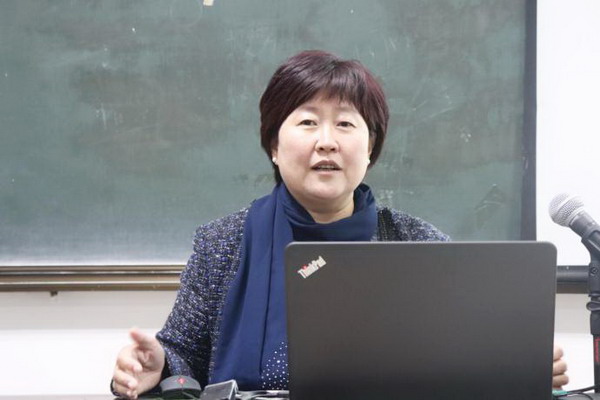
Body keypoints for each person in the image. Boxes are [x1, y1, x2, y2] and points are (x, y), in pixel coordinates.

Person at [111, 50, 568, 398]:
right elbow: (182, 356)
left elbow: (463, 355)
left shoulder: (419, 243)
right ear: (274, 145)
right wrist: (156, 367)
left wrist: (514, 365)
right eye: (308, 122)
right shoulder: (222, 244)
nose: (327, 142)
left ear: (371, 148)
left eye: (346, 125)